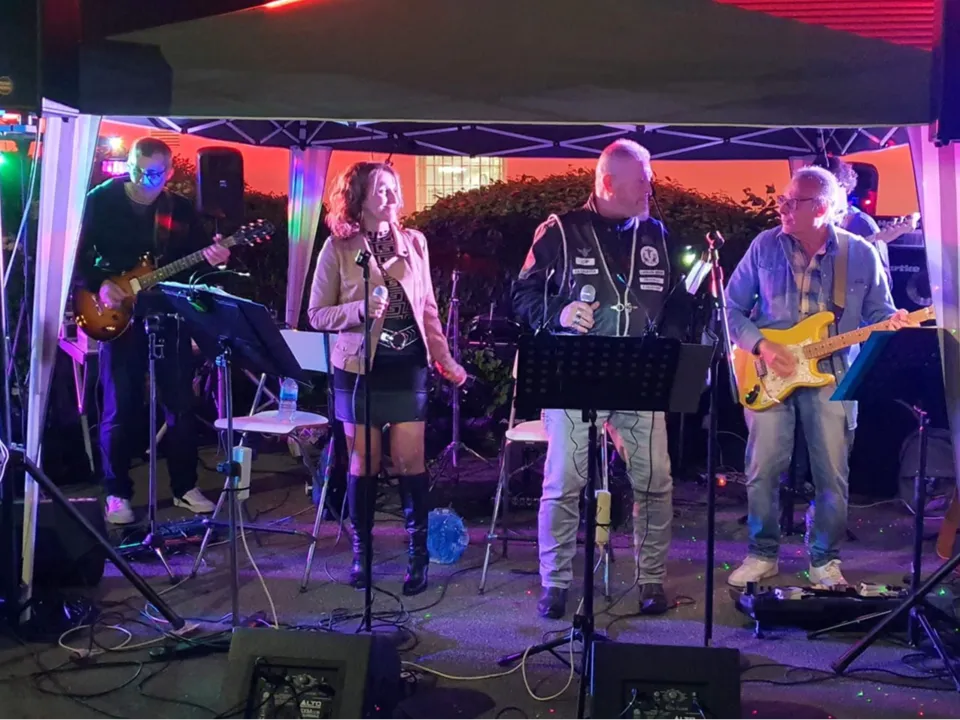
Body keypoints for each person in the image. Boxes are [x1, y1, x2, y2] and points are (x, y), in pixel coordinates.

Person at [512, 139, 685, 619]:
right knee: (564, 481)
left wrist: (669, 341)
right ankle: (555, 582)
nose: (651, 189)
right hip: (575, 372)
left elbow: (677, 302)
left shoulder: (657, 234)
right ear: (608, 183)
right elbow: (521, 295)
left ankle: (650, 579)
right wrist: (560, 311)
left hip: (640, 375)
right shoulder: (561, 230)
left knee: (655, 479)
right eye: (642, 181)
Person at [724, 166, 914, 589]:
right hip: (768, 372)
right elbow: (731, 308)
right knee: (762, 469)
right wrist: (762, 345)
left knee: (832, 474)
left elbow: (879, 312)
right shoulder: (764, 245)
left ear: (823, 208)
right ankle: (762, 554)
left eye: (794, 202)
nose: (783, 207)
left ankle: (825, 559)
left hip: (833, 374)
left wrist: (893, 321)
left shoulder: (859, 253)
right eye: (783, 199)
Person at [307, 161, 467, 596]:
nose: (393, 197)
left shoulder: (414, 242)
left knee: (411, 462)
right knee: (364, 463)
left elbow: (428, 308)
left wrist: (444, 359)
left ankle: (417, 556)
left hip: (407, 365)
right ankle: (362, 554)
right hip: (358, 368)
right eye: (382, 190)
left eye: (395, 189)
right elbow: (316, 314)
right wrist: (358, 310)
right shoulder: (337, 248)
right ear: (358, 197)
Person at [75, 137, 229, 525]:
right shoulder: (100, 200)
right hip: (116, 315)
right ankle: (116, 492)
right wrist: (98, 284)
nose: (144, 180)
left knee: (180, 405)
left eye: (154, 174)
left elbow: (194, 267)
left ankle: (184, 486)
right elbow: (74, 253)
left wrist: (215, 259)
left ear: (170, 172)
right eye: (137, 170)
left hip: (167, 314)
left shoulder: (179, 209)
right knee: (119, 405)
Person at [825, 157, 891, 285]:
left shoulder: (862, 223)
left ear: (846, 188)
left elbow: (884, 281)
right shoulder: (812, 221)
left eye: (831, 186)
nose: (827, 194)